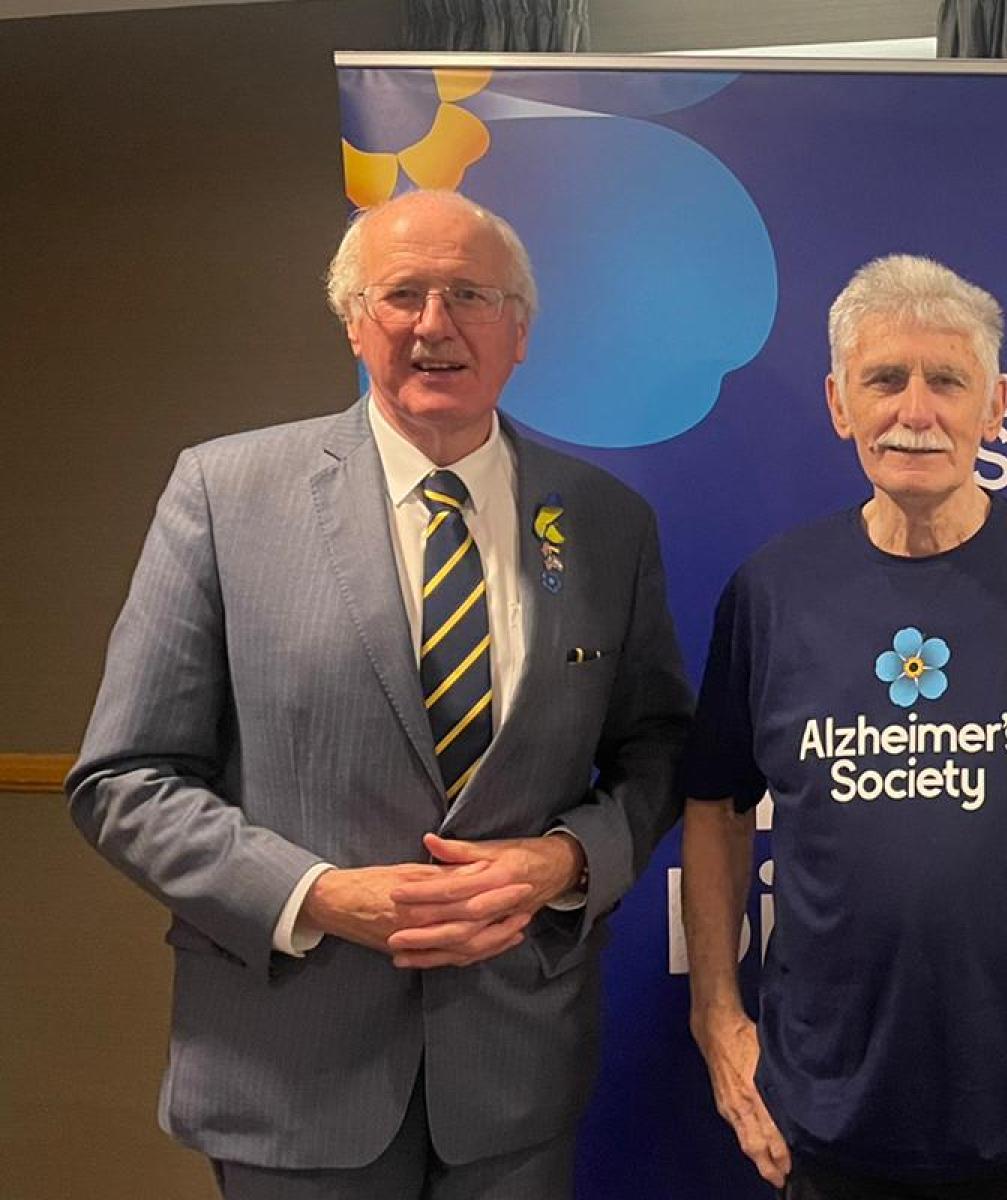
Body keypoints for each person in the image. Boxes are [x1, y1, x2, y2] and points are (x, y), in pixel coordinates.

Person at [66, 188, 693, 1198]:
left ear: (519, 331)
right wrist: (317, 897)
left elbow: (658, 750)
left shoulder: (606, 522)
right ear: (355, 321)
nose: (434, 326)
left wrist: (564, 860)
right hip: (292, 1075)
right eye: (402, 294)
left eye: (469, 296)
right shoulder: (225, 497)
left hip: (516, 1079)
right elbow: (125, 778)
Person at [679, 254, 1007, 1199]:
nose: (914, 411)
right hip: (829, 1113)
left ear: (993, 408)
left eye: (947, 382)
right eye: (884, 380)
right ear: (840, 403)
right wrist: (716, 1016)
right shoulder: (773, 591)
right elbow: (716, 806)